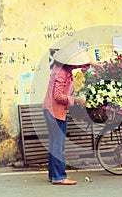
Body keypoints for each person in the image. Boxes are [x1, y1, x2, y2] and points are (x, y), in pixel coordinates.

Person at [43, 40, 102, 185]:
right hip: (54, 111)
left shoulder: (63, 68)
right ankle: (59, 177)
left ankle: (54, 175)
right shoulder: (61, 74)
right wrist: (76, 99)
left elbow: (77, 65)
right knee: (58, 145)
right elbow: (57, 96)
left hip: (54, 111)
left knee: (55, 144)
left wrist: (90, 64)